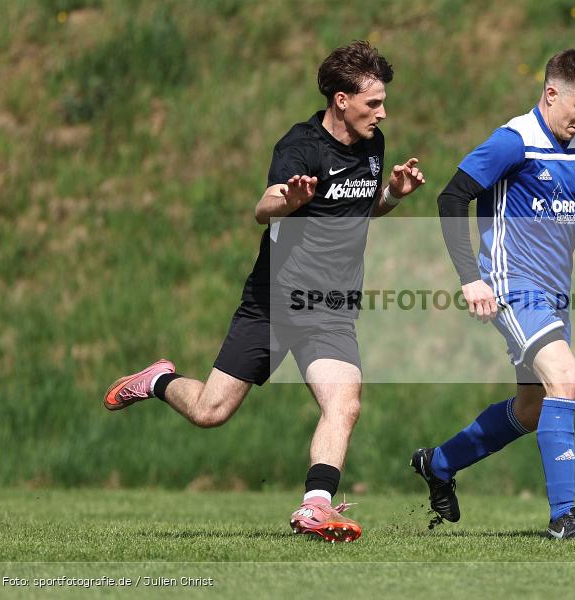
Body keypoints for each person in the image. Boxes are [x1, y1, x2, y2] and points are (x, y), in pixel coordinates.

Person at [104, 41, 425, 543]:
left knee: (344, 403)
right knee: (210, 412)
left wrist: (392, 195)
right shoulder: (300, 146)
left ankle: (315, 507)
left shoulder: (373, 144)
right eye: (374, 103)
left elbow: (358, 210)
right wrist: (288, 201)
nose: (382, 113)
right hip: (273, 301)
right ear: (341, 100)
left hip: (329, 307)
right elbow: (263, 207)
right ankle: (159, 380)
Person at [412, 49, 575, 540]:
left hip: (555, 293)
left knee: (532, 409)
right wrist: (471, 278)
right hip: (511, 285)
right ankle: (563, 518)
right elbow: (451, 196)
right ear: (552, 93)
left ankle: (438, 463)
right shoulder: (514, 141)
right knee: (566, 377)